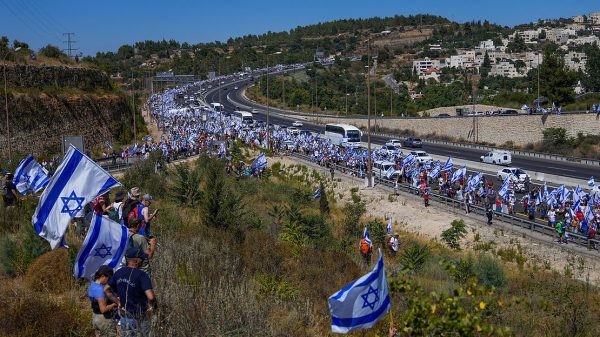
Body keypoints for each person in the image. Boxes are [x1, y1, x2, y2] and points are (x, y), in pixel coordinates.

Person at [105, 247, 156, 337]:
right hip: (140, 317)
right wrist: (151, 308)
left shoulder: (119, 272)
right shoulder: (142, 275)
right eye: (141, 258)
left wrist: (118, 302)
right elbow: (150, 296)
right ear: (136, 260)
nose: (143, 260)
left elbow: (106, 289)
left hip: (124, 316)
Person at [89, 265, 117, 337]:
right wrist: (114, 304)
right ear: (103, 276)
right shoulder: (100, 290)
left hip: (95, 317)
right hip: (104, 319)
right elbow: (103, 309)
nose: (110, 281)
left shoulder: (93, 284)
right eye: (109, 278)